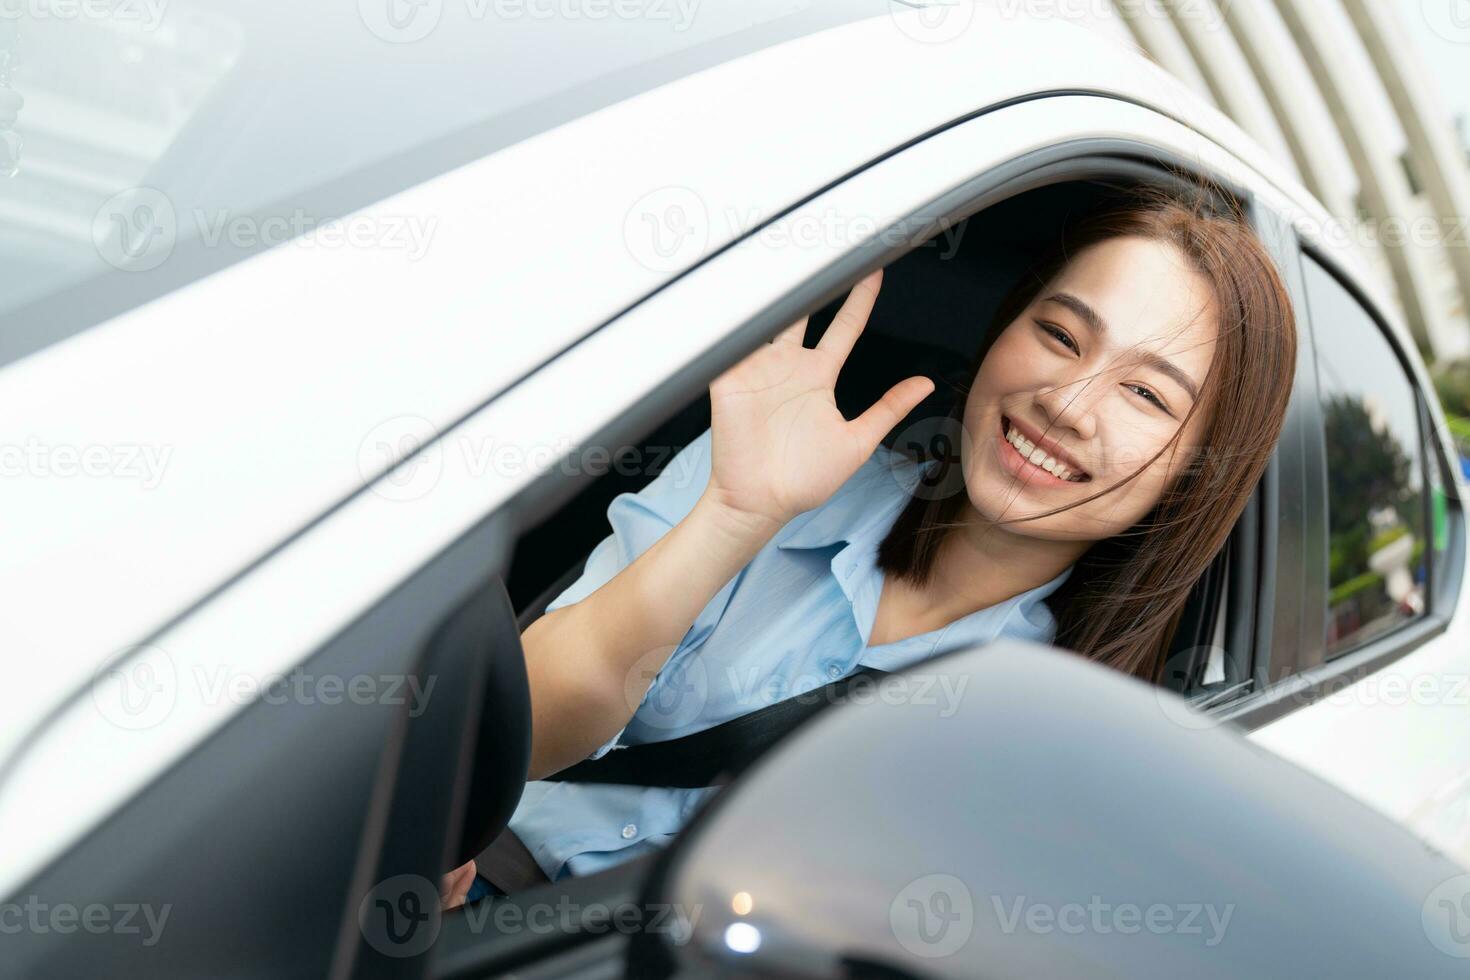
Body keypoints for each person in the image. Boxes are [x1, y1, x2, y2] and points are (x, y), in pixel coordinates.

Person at [442, 182, 1298, 906]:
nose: (1067, 404)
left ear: (1200, 472)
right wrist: (738, 512)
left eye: (1146, 395)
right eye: (1061, 335)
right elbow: (515, 732)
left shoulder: (1058, 743)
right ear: (1004, 329)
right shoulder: (784, 464)